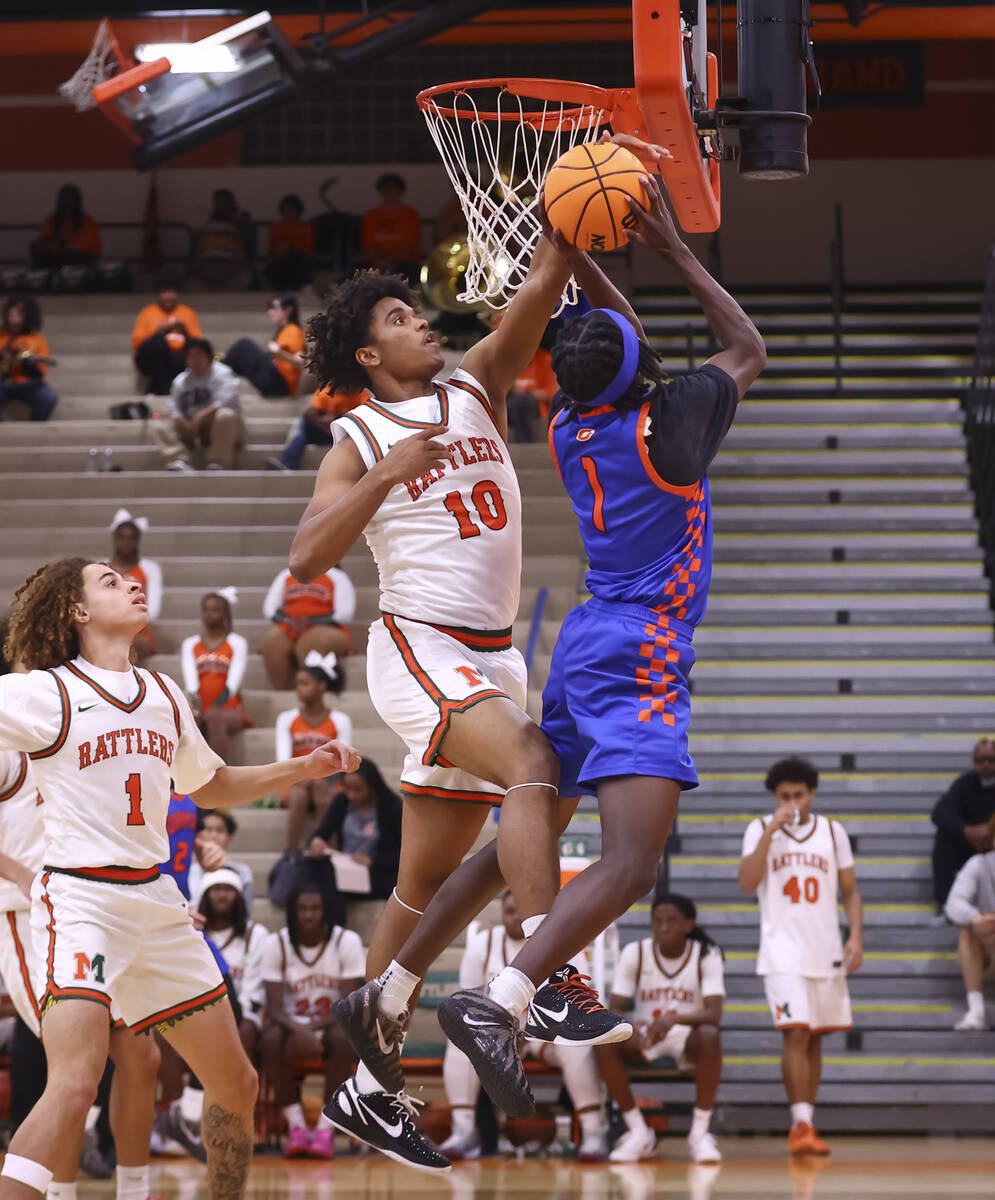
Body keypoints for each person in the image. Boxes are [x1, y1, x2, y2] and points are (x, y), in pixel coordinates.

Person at [290, 176, 628, 1171]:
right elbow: (307, 559)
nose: (419, 321)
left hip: (487, 654)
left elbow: (544, 278)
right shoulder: (357, 437)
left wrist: (577, 188)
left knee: (426, 885)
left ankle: (367, 1067)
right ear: (366, 355)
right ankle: (543, 970)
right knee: (535, 767)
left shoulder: (475, 382)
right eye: (398, 317)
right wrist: (386, 478)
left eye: (414, 308)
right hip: (421, 645)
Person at [430, 139, 765, 1122]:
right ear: (637, 372)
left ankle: (422, 969)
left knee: (533, 830)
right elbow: (746, 347)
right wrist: (668, 246)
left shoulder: (576, 421)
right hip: (641, 648)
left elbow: (621, 348)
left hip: (580, 645)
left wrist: (570, 249)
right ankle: (499, 998)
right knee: (630, 867)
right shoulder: (666, 427)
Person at [0, 555, 360, 1200]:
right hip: (82, 901)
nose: (132, 583)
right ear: (77, 612)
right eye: (110, 582)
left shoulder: (164, 693)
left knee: (237, 1083)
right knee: (76, 1082)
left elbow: (213, 783)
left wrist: (301, 770)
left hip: (158, 904)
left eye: (127, 577)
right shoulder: (43, 692)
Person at [739, 756, 864, 1158]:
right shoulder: (759, 829)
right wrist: (770, 832)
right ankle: (800, 1126)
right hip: (782, 952)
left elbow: (850, 890)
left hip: (825, 948)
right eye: (784, 796)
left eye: (798, 795)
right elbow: (747, 882)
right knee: (794, 1032)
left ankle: (806, 1120)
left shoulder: (832, 830)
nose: (792, 802)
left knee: (814, 1039)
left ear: (811, 794)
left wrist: (856, 937)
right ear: (774, 797)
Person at [440, 890, 608, 1162]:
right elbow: (468, 1004)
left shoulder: (566, 940)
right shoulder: (484, 943)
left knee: (576, 1044)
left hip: (548, 1036)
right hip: (497, 1036)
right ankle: (463, 1131)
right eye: (509, 912)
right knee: (460, 1038)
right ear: (500, 915)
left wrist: (530, 1034)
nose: (516, 917)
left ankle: (593, 1133)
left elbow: (577, 1004)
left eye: (522, 911)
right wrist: (504, 1033)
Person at [597, 893, 724, 1164]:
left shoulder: (705, 954)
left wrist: (672, 1019)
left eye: (672, 921)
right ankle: (638, 1132)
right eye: (658, 921)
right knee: (605, 1040)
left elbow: (713, 1014)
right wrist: (632, 1026)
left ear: (688, 924)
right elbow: (615, 1007)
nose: (664, 927)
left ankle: (699, 1134)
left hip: (686, 1035)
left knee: (710, 1036)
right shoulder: (636, 952)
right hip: (647, 1033)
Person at [259, 888, 365, 1159]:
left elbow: (347, 1006)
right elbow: (273, 1008)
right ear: (293, 912)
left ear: (325, 911)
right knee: (268, 1040)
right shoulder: (277, 944)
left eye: (315, 908)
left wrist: (310, 1032)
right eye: (302, 909)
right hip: (290, 1025)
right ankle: (296, 1126)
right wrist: (300, 1030)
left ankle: (324, 1128)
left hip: (332, 1023)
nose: (308, 915)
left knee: (342, 1039)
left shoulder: (346, 941)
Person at [276, 653, 353, 851]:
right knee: (299, 797)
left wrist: (321, 778)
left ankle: (330, 853)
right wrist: (304, 776)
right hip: (296, 780)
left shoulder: (340, 720)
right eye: (297, 684)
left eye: (305, 683)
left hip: (329, 780)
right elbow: (282, 760)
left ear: (322, 686)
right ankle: (290, 853)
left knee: (326, 796)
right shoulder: (286, 718)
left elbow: (344, 761)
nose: (299, 689)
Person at [306, 760, 402, 905]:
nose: (351, 795)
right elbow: (322, 832)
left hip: (378, 872)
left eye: (357, 790)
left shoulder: (392, 807)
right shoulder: (342, 802)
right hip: (346, 867)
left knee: (332, 881)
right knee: (320, 872)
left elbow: (403, 851)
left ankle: (335, 924)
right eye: (347, 789)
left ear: (372, 787)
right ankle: (332, 925)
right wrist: (317, 841)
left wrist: (373, 861)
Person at [197, 869, 268, 1053]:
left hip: (242, 1013)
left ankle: (243, 1082)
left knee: (244, 1029)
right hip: (197, 1012)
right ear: (205, 895)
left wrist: (227, 1016)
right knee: (162, 1034)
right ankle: (186, 1084)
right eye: (216, 889)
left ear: (239, 896)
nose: (222, 895)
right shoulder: (193, 934)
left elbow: (253, 990)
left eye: (229, 890)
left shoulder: (256, 935)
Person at [180, 588, 248, 764]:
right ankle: (182, 779)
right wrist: (198, 707)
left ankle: (219, 773)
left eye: (216, 609)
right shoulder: (190, 644)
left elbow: (232, 685)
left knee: (215, 718)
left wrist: (215, 707)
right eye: (206, 609)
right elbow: (191, 684)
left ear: (226, 613)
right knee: (188, 718)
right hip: (200, 705)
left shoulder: (237, 643)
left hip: (230, 708)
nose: (210, 614)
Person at [261, 563, 355, 689]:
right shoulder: (286, 575)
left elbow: (344, 613)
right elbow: (269, 609)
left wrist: (310, 621)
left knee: (309, 644)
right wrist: (289, 620)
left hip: (327, 627)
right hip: (290, 625)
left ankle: (313, 691)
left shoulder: (337, 576)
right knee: (273, 643)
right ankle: (282, 692)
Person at [157, 339, 245, 473]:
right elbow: (173, 406)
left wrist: (201, 416)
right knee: (161, 422)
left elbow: (225, 400)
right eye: (190, 356)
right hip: (192, 429)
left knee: (225, 415)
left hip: (219, 428)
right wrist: (182, 421)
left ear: (208, 356)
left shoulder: (222, 373)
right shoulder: (181, 381)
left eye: (198, 355)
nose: (194, 360)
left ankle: (219, 462)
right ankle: (178, 461)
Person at [944, 812, 995, 1030]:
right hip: (988, 948)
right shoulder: (979, 864)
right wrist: (976, 918)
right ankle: (976, 1011)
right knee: (968, 930)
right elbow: (953, 903)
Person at [931, 739, 995, 912]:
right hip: (972, 847)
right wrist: (966, 831)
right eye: (980, 760)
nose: (986, 765)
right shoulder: (965, 783)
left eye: (991, 759)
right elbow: (939, 812)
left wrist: (990, 832)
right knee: (944, 836)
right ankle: (944, 904)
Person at [131, 272, 203, 396]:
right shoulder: (147, 312)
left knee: (189, 356)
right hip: (149, 359)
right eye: (164, 293)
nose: (168, 296)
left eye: (172, 292)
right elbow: (136, 343)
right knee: (158, 343)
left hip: (178, 358)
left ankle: (159, 389)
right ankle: (162, 390)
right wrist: (159, 333)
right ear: (158, 295)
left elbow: (199, 344)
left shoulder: (187, 312)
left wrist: (184, 332)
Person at [267, 386, 367, 472]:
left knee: (349, 420)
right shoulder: (326, 392)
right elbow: (310, 414)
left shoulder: (362, 396)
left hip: (348, 436)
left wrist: (338, 419)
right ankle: (288, 463)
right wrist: (323, 421)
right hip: (324, 432)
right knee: (301, 422)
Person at [224, 295, 306, 399]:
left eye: (275, 308)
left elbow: (300, 360)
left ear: (288, 310)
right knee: (239, 362)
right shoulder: (283, 330)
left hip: (280, 383)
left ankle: (217, 372)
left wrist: (280, 353)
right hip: (276, 382)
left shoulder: (293, 330)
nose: (270, 312)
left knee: (244, 345)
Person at [107, 510, 161, 662]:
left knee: (126, 645)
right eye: (122, 537)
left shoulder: (150, 568)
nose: (126, 542)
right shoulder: (102, 567)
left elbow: (154, 610)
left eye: (131, 538)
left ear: (138, 540)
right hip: (108, 628)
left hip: (139, 631)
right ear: (114, 539)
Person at [0, 296, 58, 423]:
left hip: (29, 385)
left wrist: (30, 363)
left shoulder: (37, 339)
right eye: (11, 308)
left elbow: (40, 372)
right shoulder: (1, 335)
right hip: (3, 383)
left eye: (19, 310)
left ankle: (34, 427)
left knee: (48, 396)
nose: (12, 311)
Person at [360, 174, 422, 287]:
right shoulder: (371, 215)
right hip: (375, 262)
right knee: (360, 270)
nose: (390, 193)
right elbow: (368, 245)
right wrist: (379, 261)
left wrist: (392, 261)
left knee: (410, 270)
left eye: (394, 190)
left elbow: (409, 245)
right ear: (380, 192)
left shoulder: (410, 214)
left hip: (403, 262)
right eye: (386, 190)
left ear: (401, 192)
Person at [189, 190, 256, 291]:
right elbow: (195, 255)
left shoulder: (242, 226)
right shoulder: (205, 229)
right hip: (204, 278)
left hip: (235, 276)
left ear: (232, 203)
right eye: (218, 202)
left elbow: (249, 253)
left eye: (224, 202)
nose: (221, 205)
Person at [189, 809, 254, 910]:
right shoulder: (188, 869)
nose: (214, 835)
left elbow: (245, 910)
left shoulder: (242, 871)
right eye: (208, 829)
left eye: (220, 830)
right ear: (197, 834)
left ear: (230, 837)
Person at [31, 184, 101, 268]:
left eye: (71, 199)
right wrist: (55, 245)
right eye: (65, 199)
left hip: (79, 262)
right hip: (54, 262)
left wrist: (75, 246)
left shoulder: (88, 222)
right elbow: (45, 242)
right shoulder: (51, 221)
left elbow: (94, 251)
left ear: (77, 201)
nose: (68, 202)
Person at [266, 195, 314, 291]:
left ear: (298, 212)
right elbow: (273, 250)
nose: (288, 214)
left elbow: (308, 250)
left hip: (301, 259)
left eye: (291, 210)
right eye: (285, 210)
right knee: (282, 262)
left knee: (293, 256)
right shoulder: (277, 227)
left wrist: (289, 250)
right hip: (280, 260)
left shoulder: (306, 228)